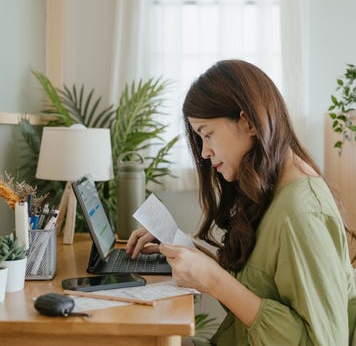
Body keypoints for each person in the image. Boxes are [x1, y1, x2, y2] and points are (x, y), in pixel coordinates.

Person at [126, 59, 356, 345]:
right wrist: (191, 252)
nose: (205, 152)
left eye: (207, 134)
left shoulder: (301, 214)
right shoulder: (274, 190)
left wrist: (215, 281)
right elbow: (259, 291)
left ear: (248, 123)